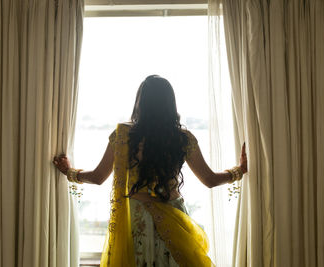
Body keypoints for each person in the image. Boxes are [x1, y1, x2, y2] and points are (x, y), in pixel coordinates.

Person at [53, 75, 247, 267]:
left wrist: (70, 172)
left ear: (140, 103)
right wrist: (239, 170)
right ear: (170, 104)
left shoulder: (123, 136)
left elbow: (97, 177)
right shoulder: (182, 139)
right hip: (173, 217)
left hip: (136, 221)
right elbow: (210, 179)